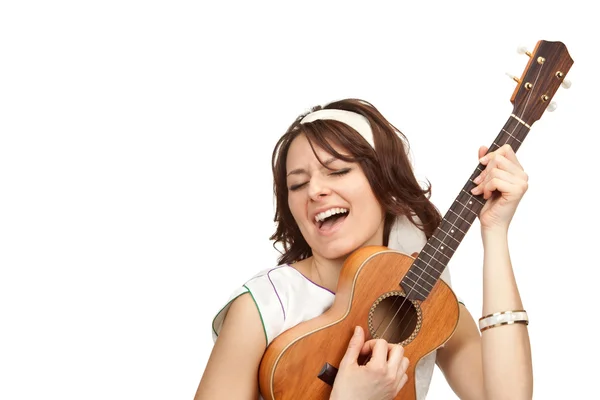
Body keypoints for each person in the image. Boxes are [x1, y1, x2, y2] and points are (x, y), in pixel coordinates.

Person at [194, 98, 533, 399]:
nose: (314, 191)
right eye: (297, 184)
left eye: (337, 171)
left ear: (383, 182)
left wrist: (495, 231)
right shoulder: (263, 309)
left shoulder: (428, 307)